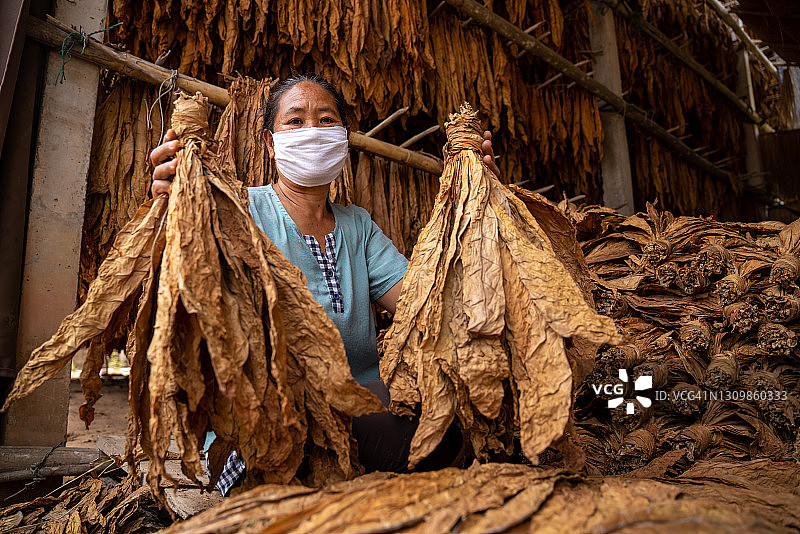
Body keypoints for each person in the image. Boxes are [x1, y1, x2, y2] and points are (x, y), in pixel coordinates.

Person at [150, 74, 500, 494]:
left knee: (461, 416)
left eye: (326, 119)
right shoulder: (236, 208)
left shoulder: (358, 226)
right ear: (269, 142)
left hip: (361, 400)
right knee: (421, 443)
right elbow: (186, 289)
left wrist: (474, 204)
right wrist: (174, 204)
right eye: (295, 121)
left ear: (344, 137)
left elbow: (424, 300)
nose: (312, 132)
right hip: (264, 418)